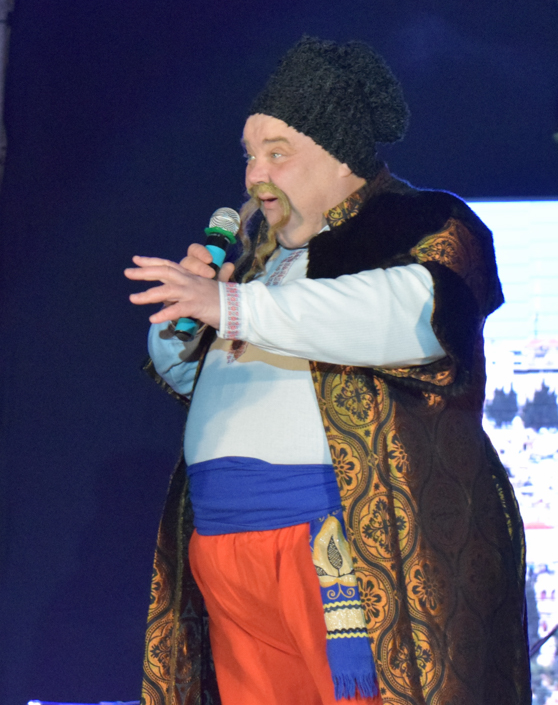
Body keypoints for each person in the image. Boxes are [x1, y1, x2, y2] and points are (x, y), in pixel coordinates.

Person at [126, 38, 529, 705]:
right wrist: (187, 319)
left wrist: (230, 305)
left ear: (339, 154)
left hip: (336, 550)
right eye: (249, 155)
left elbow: (402, 315)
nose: (255, 175)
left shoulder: (422, 224)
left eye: (276, 153)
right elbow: (199, 377)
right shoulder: (257, 265)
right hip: (225, 547)